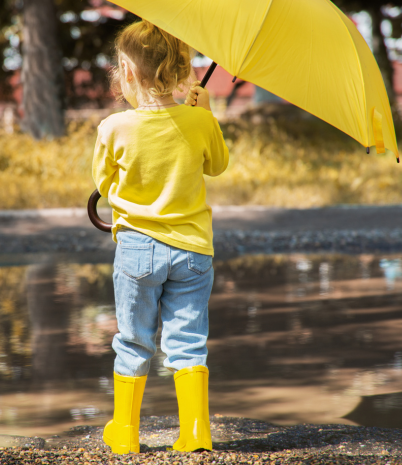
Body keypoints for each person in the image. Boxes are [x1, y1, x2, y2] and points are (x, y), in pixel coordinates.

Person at [92, 20, 229, 455]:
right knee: (187, 342)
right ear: (179, 70)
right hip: (192, 251)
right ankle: (195, 433)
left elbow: (103, 180)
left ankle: (126, 434)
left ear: (128, 73)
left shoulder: (113, 128)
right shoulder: (198, 121)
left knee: (133, 339)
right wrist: (204, 114)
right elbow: (217, 165)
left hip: (137, 249)